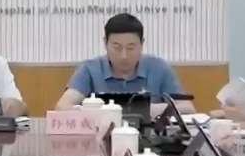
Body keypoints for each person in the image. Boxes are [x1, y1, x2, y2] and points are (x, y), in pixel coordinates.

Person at [54, 13, 192, 113]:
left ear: (142, 44)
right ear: (105, 43)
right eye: (117, 47)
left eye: (131, 48)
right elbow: (62, 107)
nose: (124, 56)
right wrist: (101, 113)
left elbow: (187, 108)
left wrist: (144, 110)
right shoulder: (90, 69)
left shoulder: (159, 68)